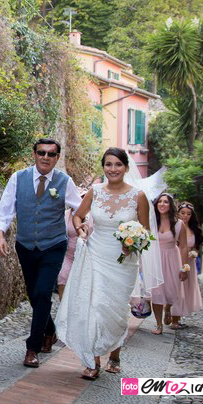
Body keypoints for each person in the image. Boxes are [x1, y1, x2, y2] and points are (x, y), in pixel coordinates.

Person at [55, 147, 151, 380]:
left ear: (126, 168)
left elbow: (146, 230)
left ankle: (115, 355)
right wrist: (81, 227)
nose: (113, 169)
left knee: (116, 310)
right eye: (108, 164)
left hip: (123, 262)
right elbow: (78, 215)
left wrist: (135, 242)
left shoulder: (138, 196)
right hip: (95, 255)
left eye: (118, 164)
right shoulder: (95, 191)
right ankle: (93, 361)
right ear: (104, 167)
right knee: (94, 306)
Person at [0, 138, 82, 368]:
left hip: (53, 245)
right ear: (34, 154)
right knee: (34, 295)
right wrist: (0, 235)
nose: (45, 157)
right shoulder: (18, 178)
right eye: (41, 152)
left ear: (57, 158)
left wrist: (82, 223)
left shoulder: (64, 181)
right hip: (25, 246)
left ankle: (33, 347)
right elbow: (5, 209)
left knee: (43, 292)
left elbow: (79, 207)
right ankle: (50, 330)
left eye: (51, 154)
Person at [149, 193, 186, 334]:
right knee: (156, 293)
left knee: (171, 291)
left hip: (172, 260)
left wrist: (185, 268)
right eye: (160, 201)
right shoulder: (152, 221)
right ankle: (159, 325)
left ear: (170, 205)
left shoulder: (178, 224)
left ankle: (168, 307)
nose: (162, 204)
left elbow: (183, 246)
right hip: (155, 260)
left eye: (165, 202)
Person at [171, 202, 203, 326]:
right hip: (176, 261)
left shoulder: (194, 229)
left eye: (188, 214)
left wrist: (194, 253)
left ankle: (177, 317)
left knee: (186, 291)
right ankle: (173, 317)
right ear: (178, 213)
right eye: (183, 213)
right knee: (178, 290)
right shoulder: (174, 227)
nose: (185, 216)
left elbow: (196, 247)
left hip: (189, 263)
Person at [57, 194, 93, 298]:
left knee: (81, 284)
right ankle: (63, 309)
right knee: (62, 278)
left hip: (86, 256)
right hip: (68, 255)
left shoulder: (91, 216)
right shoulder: (66, 215)